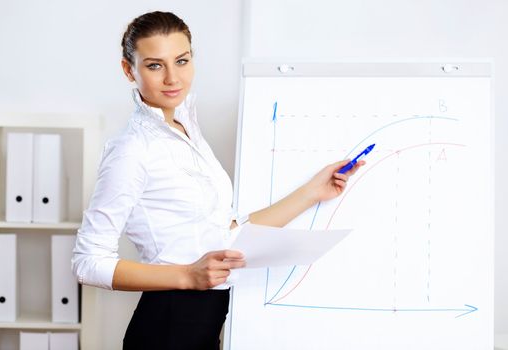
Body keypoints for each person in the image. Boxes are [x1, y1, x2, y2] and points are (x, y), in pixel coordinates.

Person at [71, 10, 364, 350]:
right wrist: (186, 275)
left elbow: (226, 234)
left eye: (181, 61)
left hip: (205, 323)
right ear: (129, 70)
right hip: (167, 327)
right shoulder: (132, 150)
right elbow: (87, 262)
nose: (172, 78)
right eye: (154, 65)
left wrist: (312, 191)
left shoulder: (185, 129)